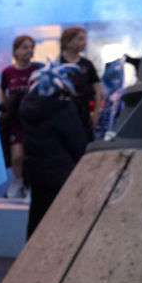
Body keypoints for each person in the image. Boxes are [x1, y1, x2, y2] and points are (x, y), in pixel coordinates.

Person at [19, 61, 88, 237]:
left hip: (36, 173)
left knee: (36, 218)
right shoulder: (63, 107)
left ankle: (30, 259)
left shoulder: (26, 105)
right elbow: (77, 142)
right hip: (62, 173)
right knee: (62, 223)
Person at [0, 35, 42, 199]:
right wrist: (4, 107)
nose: (29, 50)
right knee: (17, 156)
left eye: (31, 47)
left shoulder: (38, 70)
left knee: (31, 155)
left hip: (33, 120)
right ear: (15, 51)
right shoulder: (8, 72)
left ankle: (30, 186)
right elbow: (2, 89)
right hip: (15, 120)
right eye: (24, 47)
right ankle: (17, 180)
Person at [58, 26, 102, 139]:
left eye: (84, 39)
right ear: (67, 42)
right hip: (64, 115)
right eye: (80, 39)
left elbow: (97, 90)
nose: (84, 42)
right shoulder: (57, 65)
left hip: (85, 115)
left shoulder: (87, 64)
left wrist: (96, 112)